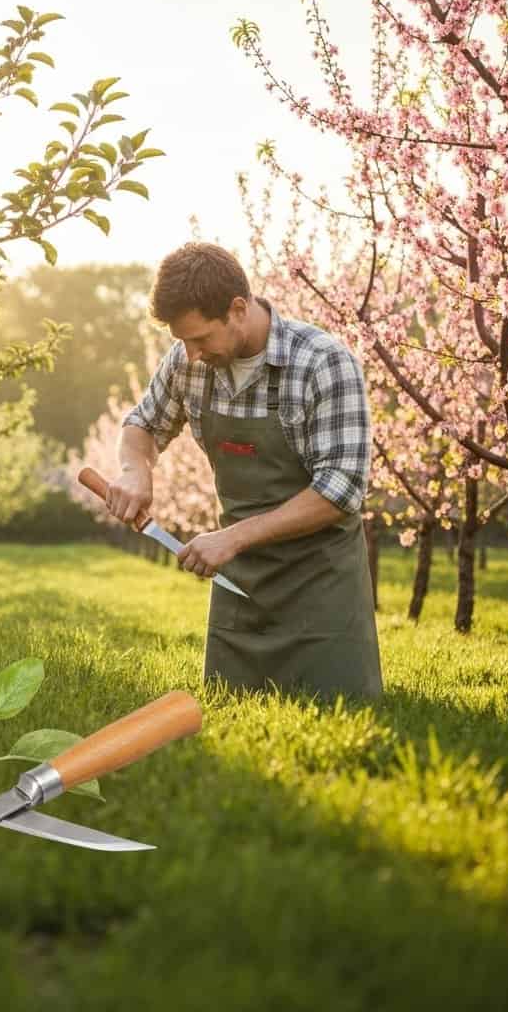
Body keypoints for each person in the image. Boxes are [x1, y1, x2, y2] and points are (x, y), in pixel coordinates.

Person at [108, 242, 382, 700]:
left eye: (200, 339)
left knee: (338, 713)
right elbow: (141, 425)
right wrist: (135, 470)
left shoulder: (322, 362)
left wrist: (231, 538)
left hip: (322, 581)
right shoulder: (187, 363)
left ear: (238, 309)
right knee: (232, 712)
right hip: (241, 581)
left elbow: (342, 490)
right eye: (183, 342)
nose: (191, 354)